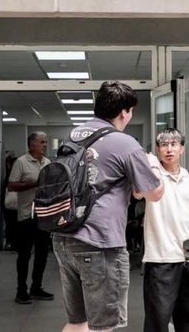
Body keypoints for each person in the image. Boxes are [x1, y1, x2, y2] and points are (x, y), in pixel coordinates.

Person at [53, 81, 164, 332]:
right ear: (124, 112)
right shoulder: (125, 143)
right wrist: (153, 164)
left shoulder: (73, 135)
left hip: (64, 237)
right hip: (100, 243)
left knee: (77, 322)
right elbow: (153, 193)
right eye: (131, 111)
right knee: (102, 326)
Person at [138, 128, 189, 332]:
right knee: (157, 321)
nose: (169, 149)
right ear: (158, 150)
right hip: (159, 259)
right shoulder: (152, 176)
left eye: (174, 144)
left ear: (182, 149)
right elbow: (136, 194)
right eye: (164, 145)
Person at [8, 131, 53, 304]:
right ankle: (21, 290)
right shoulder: (21, 162)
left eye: (46, 142)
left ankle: (36, 287)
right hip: (26, 216)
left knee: (42, 254)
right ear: (32, 144)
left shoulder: (48, 163)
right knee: (25, 255)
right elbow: (12, 186)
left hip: (43, 216)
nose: (45, 145)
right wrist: (34, 184)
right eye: (42, 142)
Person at [2, 151, 19, 250]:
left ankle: (13, 243)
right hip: (10, 204)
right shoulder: (11, 175)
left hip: (13, 205)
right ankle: (12, 243)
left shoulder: (13, 175)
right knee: (11, 225)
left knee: (13, 225)